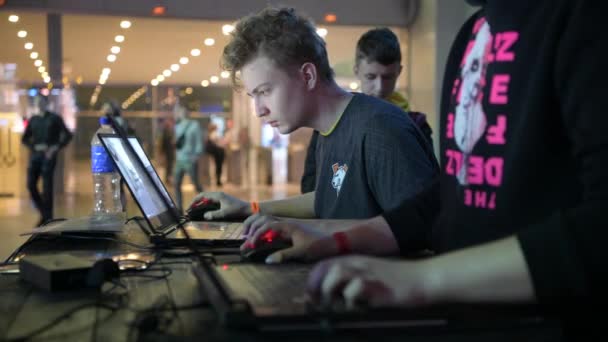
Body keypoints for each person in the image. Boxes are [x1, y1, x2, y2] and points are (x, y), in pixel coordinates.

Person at [240, 0, 608, 338]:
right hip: (470, 317)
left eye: (264, 92)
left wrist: (420, 278)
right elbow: (448, 194)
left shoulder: (582, 17)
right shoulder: (475, 32)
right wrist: (338, 240)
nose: (259, 109)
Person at [192, 7, 438, 223]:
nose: (259, 110)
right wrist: (251, 209)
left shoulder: (381, 130)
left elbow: (419, 230)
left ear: (307, 76)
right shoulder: (329, 130)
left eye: (265, 91)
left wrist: (317, 235)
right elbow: (327, 199)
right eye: (253, 96)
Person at [301, 27, 434, 193]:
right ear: (357, 71)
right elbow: (310, 186)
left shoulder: (417, 125)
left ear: (399, 72)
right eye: (371, 77)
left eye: (388, 77)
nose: (379, 88)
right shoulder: (331, 124)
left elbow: (428, 187)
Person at [21, 94, 72, 226]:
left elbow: (67, 135)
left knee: (47, 188)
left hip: (49, 157)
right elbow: (25, 139)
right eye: (37, 102)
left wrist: (55, 148)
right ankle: (45, 213)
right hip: (35, 156)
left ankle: (48, 218)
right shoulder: (33, 119)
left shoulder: (55, 118)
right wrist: (34, 147)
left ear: (46, 103)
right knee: (31, 185)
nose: (39, 104)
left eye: (41, 101)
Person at [173, 104, 204, 211]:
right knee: (176, 183)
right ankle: (179, 207)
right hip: (179, 160)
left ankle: (204, 204)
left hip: (190, 160)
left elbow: (199, 142)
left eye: (183, 111)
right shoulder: (177, 126)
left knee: (196, 184)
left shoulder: (194, 125)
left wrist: (196, 155)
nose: (181, 114)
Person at [205, 123, 226, 187]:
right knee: (218, 167)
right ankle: (218, 181)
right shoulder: (214, 134)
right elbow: (220, 143)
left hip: (216, 152)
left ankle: (217, 180)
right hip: (218, 152)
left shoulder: (210, 134)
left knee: (216, 166)